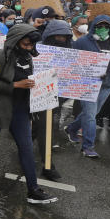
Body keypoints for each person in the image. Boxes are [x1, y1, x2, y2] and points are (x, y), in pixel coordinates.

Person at [0, 24, 58, 205]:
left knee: (26, 148)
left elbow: (28, 80)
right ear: (15, 41)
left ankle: (33, 190)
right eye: (25, 44)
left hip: (20, 110)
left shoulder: (27, 57)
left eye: (31, 45)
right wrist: (15, 86)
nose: (29, 48)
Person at [65, 15, 110, 158]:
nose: (103, 29)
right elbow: (72, 60)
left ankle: (71, 128)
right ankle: (88, 146)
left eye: (106, 26)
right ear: (93, 26)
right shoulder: (82, 41)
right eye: (100, 26)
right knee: (89, 116)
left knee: (92, 114)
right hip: (87, 83)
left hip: (107, 84)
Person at [33, 19, 74, 180]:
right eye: (58, 36)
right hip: (34, 95)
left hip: (55, 98)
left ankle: (48, 165)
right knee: (32, 130)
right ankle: (25, 154)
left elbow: (74, 75)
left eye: (64, 37)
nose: (61, 40)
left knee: (46, 131)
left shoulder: (71, 51)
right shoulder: (37, 48)